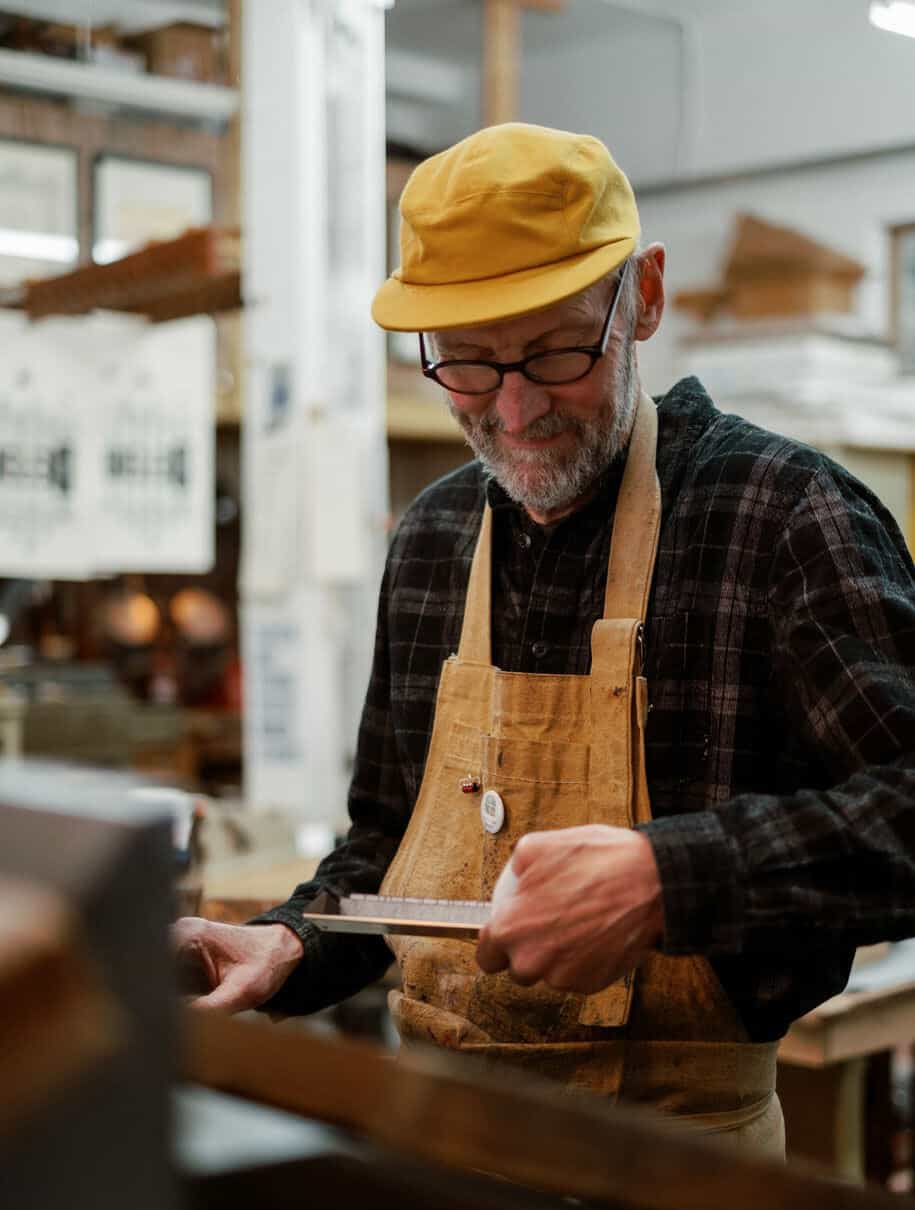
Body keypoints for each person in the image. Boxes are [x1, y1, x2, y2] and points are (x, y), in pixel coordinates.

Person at [174, 123, 915, 1157]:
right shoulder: (435, 536)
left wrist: (671, 878)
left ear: (643, 296)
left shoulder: (784, 517)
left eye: (558, 350)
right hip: (439, 1157)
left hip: (682, 1177)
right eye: (468, 365)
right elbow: (388, 847)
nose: (515, 412)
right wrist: (291, 942)